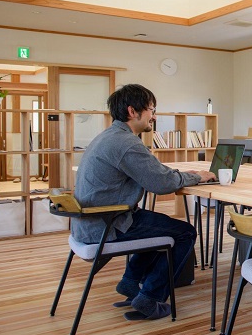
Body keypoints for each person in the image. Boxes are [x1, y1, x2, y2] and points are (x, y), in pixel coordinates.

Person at [72, 84, 216, 320]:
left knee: (159, 226)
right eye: (151, 110)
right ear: (132, 111)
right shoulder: (127, 143)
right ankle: (150, 298)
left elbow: (154, 173)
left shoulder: (109, 137)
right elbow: (161, 183)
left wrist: (183, 175)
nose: (154, 116)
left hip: (93, 221)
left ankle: (131, 283)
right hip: (108, 224)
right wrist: (197, 177)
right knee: (184, 233)